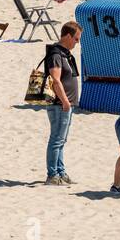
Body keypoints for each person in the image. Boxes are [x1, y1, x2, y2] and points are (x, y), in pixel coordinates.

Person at [44, 21, 81, 186]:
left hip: (66, 104)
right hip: (59, 104)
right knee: (56, 139)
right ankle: (52, 174)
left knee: (61, 140)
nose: (77, 42)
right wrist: (65, 101)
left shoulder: (64, 53)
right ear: (67, 36)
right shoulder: (56, 54)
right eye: (76, 39)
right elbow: (55, 80)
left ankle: (60, 171)